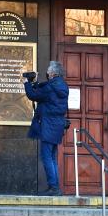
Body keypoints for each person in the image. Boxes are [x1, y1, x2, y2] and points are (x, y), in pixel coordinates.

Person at [24, 61, 69, 196]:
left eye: (48, 71)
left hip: (48, 125)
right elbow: (43, 90)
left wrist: (27, 82)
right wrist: (35, 82)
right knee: (52, 158)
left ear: (53, 73)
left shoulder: (51, 87)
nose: (47, 73)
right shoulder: (61, 85)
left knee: (47, 157)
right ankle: (55, 187)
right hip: (57, 126)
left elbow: (33, 95)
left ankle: (54, 187)